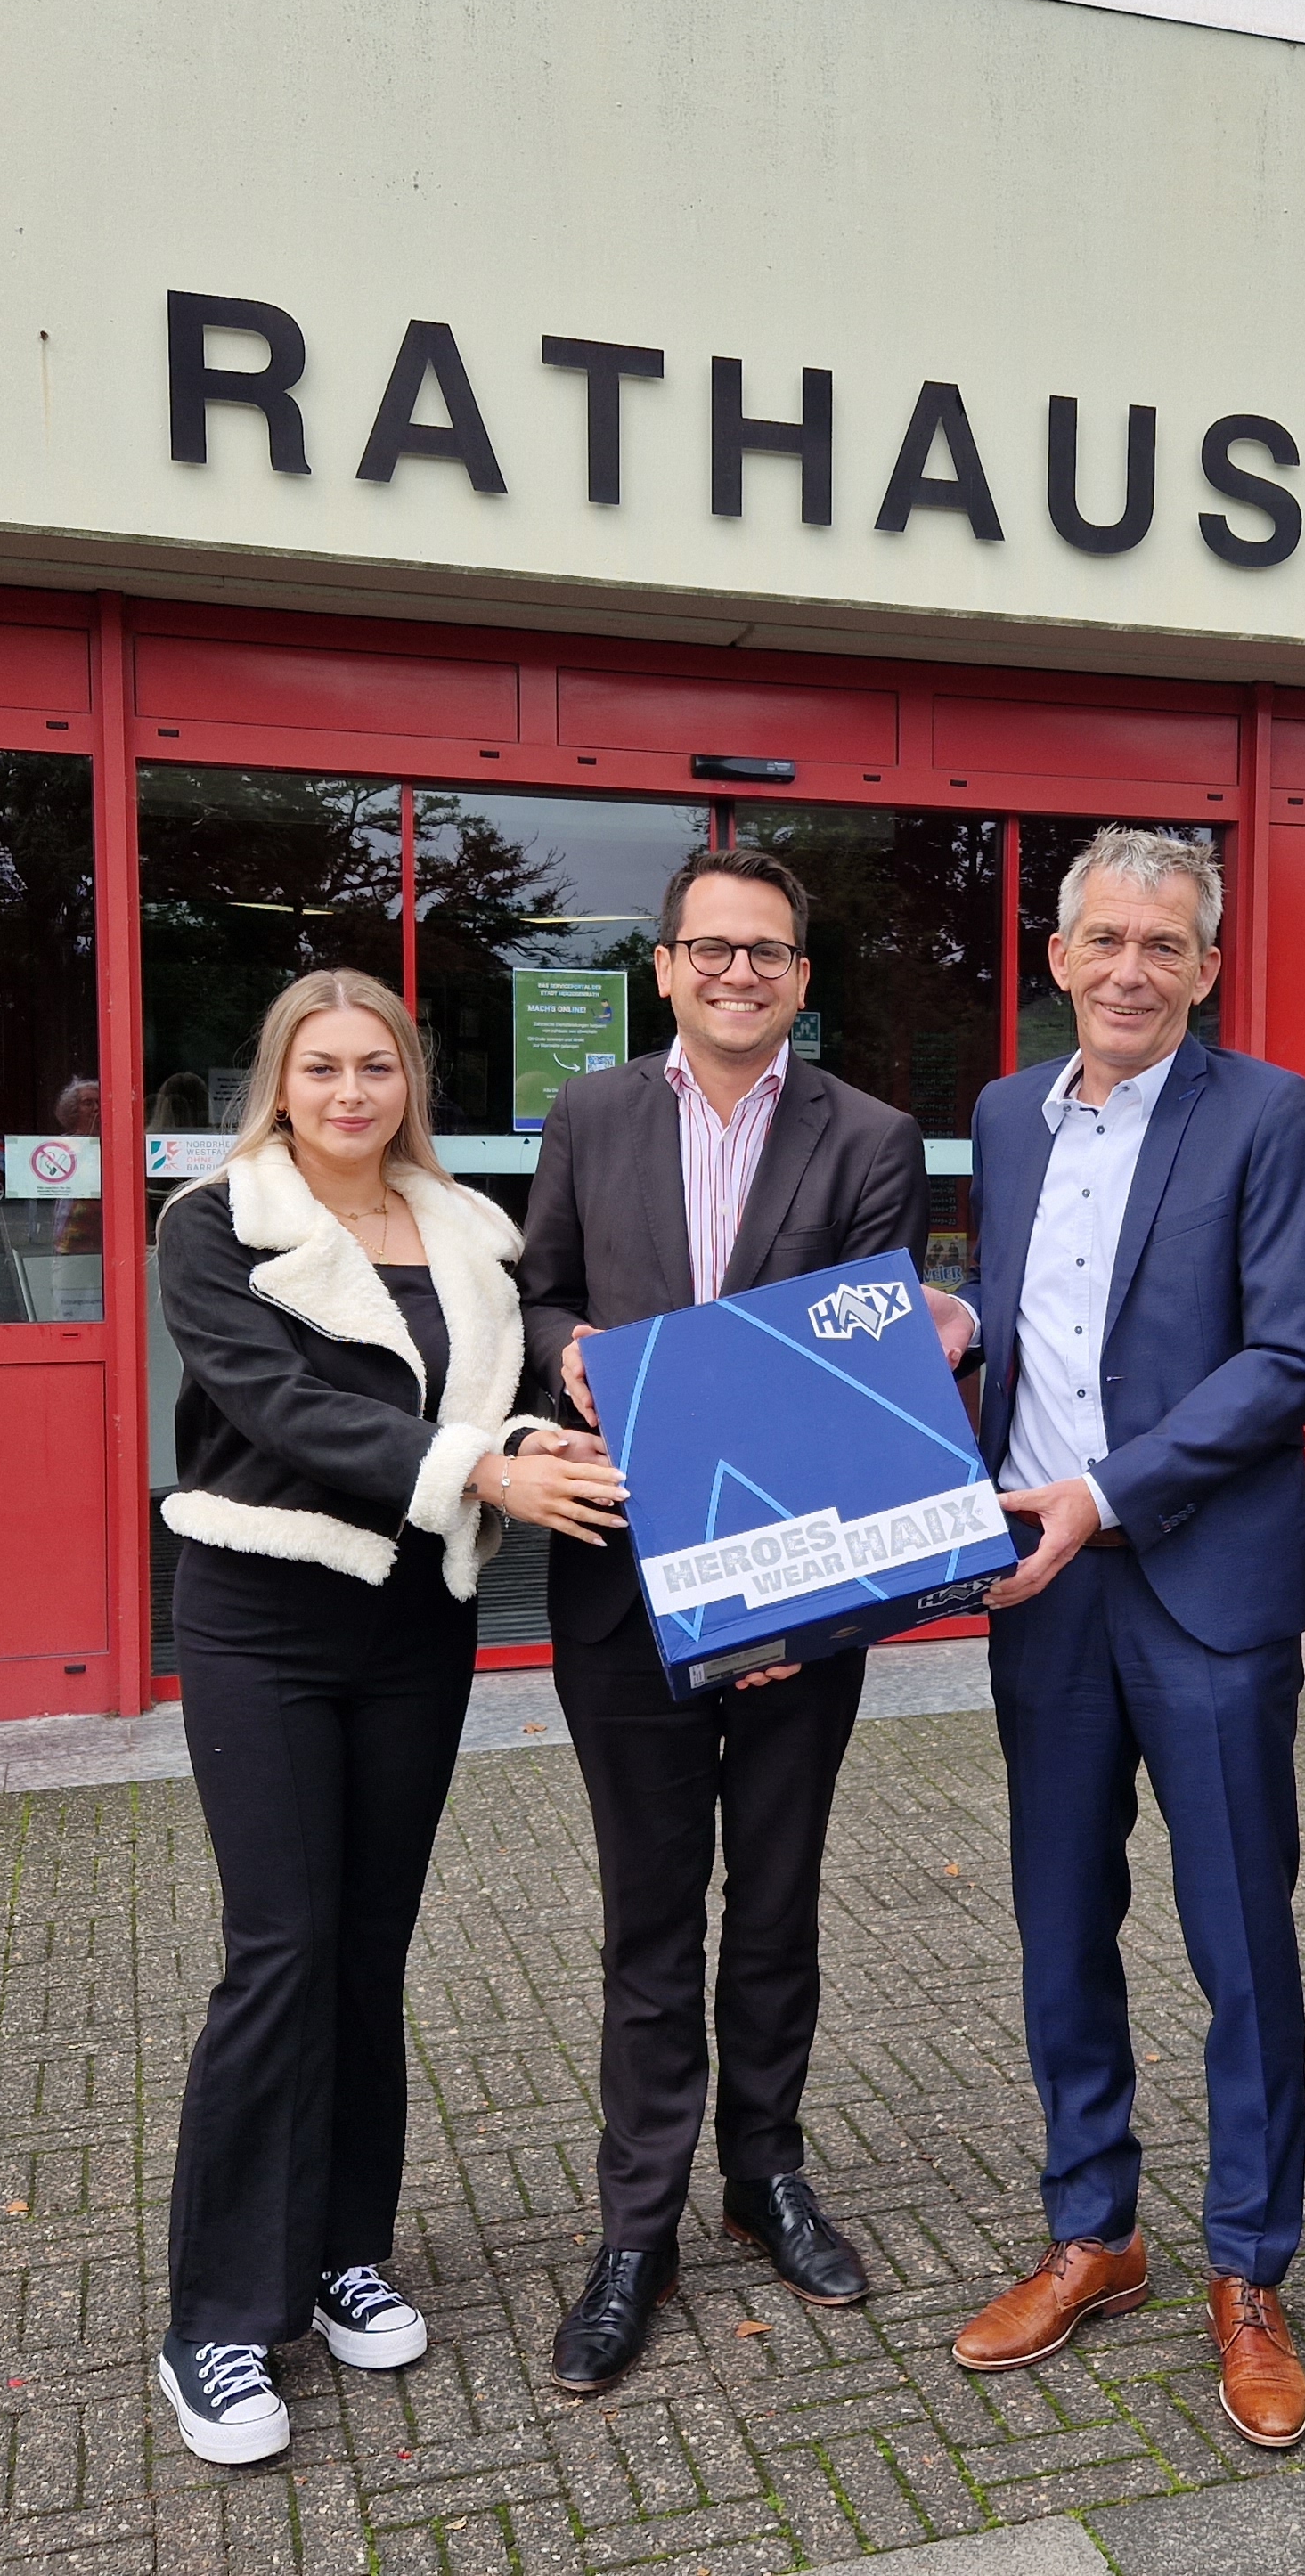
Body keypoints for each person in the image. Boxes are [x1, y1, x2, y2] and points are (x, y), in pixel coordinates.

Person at [150, 967, 626, 2466]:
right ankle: (219, 2322)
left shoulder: (473, 1230)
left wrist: (553, 1432)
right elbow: (286, 1408)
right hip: (265, 1616)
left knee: (367, 1953)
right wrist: (486, 1475)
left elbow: (486, 1405)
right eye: (321, 1068)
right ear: (277, 1084)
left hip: (413, 1628)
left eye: (377, 1067)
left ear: (410, 1080)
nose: (350, 1093)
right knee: (279, 1955)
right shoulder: (214, 1224)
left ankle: (344, 2248)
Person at [931, 825, 1305, 2452]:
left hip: (1203, 1585)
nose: (1129, 969)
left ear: (1208, 966)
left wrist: (1101, 1493)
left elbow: (1287, 1358)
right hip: (1043, 1590)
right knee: (1058, 1923)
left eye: (1162, 946)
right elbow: (1020, 1335)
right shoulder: (1000, 1119)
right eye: (1103, 940)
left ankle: (1252, 2268)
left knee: (1240, 1939)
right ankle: (1095, 2232)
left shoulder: (1266, 1116)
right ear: (1055, 955)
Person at [518, 846, 937, 2392]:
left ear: (801, 978)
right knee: (648, 1914)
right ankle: (638, 2225)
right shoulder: (590, 1114)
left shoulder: (872, 1136)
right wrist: (571, 1358)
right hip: (626, 1581)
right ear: (669, 967)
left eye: (767, 951)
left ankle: (765, 2174)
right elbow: (542, 1293)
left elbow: (866, 1346)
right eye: (711, 949)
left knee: (773, 1898)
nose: (738, 973)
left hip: (799, 1581)